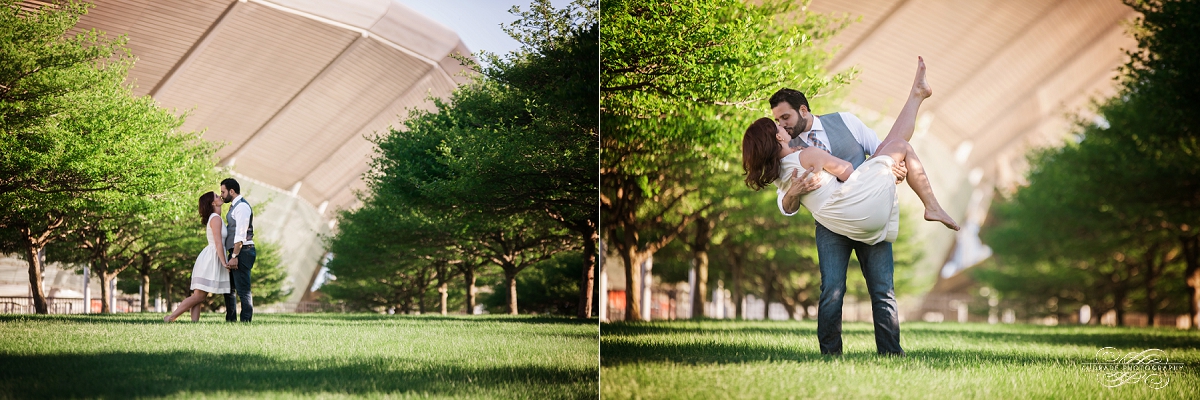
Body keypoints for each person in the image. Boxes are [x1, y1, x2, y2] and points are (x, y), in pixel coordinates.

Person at [741, 57, 957, 356]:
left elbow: (879, 147)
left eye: (785, 117)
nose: (782, 124)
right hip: (833, 224)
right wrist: (796, 191)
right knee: (832, 290)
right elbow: (785, 202)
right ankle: (831, 355)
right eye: (777, 121)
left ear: (803, 110)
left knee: (883, 291)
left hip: (861, 200)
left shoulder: (845, 121)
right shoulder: (788, 153)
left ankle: (891, 354)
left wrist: (887, 171)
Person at [164, 192, 231, 322]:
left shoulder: (216, 217)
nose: (220, 197)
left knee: (199, 296)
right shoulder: (215, 218)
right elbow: (218, 242)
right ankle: (171, 317)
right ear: (213, 203)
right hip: (211, 259)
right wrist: (224, 262)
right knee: (198, 296)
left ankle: (194, 323)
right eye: (217, 196)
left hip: (212, 257)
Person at [220, 178, 256, 322]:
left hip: (243, 251)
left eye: (223, 191)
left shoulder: (241, 207)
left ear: (232, 191)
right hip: (236, 252)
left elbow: (240, 234)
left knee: (243, 290)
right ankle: (231, 320)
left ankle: (246, 321)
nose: (221, 194)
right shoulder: (234, 206)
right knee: (228, 289)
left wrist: (235, 255)